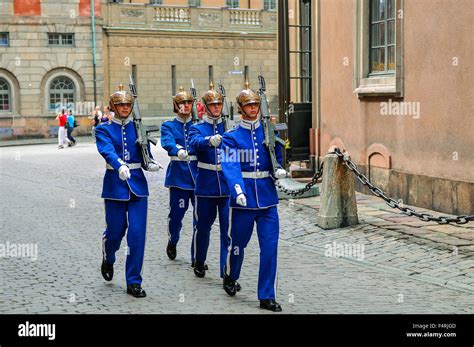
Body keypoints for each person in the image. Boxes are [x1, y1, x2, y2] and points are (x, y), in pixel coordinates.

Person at [220, 81, 287, 312]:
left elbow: (276, 152)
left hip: (267, 199)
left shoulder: (269, 130)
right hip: (243, 199)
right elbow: (230, 164)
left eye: (255, 104)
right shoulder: (232, 137)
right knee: (238, 245)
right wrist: (237, 188)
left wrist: (278, 168)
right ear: (240, 108)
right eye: (248, 105)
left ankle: (266, 295)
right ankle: (231, 274)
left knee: (270, 247)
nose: (253, 108)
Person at [95, 84, 162, 298]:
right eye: (121, 104)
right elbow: (106, 150)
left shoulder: (138, 127)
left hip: (138, 187)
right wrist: (118, 164)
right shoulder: (103, 129)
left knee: (137, 235)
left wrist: (149, 163)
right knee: (115, 232)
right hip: (115, 185)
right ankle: (109, 253)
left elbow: (145, 152)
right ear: (113, 106)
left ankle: (134, 281)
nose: (125, 108)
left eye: (128, 104)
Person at [188, 82, 231, 280]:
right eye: (212, 104)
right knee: (203, 227)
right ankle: (199, 259)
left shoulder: (229, 127)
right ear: (205, 106)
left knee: (228, 231)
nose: (216, 108)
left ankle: (227, 271)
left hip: (227, 186)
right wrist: (209, 141)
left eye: (219, 104)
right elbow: (194, 143)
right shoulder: (198, 128)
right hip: (205, 186)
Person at [160, 87, 198, 262]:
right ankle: (173, 239)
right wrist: (177, 149)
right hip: (179, 177)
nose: (186, 105)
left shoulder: (198, 125)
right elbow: (167, 142)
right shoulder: (168, 125)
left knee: (201, 218)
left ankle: (197, 256)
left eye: (189, 102)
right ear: (176, 105)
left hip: (199, 177)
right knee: (177, 215)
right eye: (182, 103)